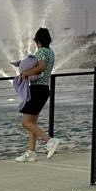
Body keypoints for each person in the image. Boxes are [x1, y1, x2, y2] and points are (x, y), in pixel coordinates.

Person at [15, 27, 58, 161]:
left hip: (37, 90)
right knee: (33, 122)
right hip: (44, 89)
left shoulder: (41, 52)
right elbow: (44, 68)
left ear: (37, 41)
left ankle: (50, 141)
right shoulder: (50, 52)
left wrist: (25, 73)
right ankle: (31, 152)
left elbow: (41, 67)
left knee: (26, 123)